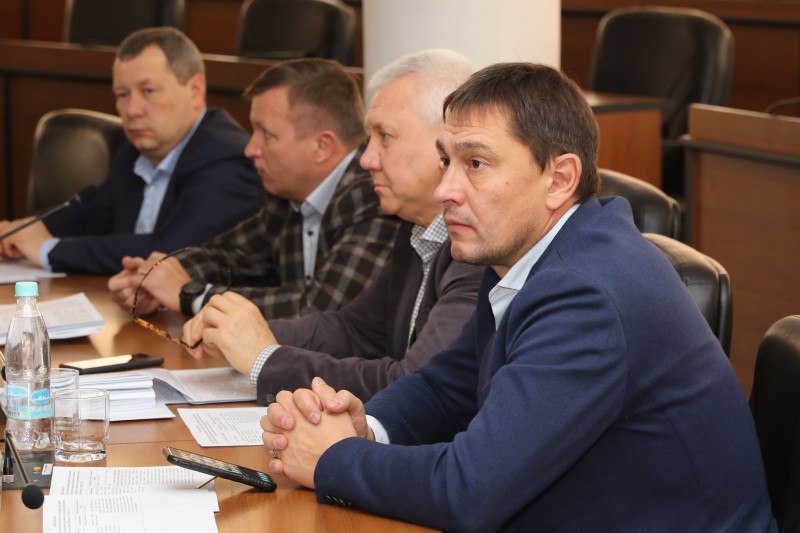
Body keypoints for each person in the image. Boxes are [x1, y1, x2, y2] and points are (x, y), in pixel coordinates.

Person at [261, 63, 777, 532]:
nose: (445, 190)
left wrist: (333, 459)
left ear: (560, 179)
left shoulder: (585, 294)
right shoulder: (529, 254)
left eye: (476, 163)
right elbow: (446, 387)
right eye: (445, 161)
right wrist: (368, 428)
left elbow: (470, 492)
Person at [180, 49, 483, 402]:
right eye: (369, 138)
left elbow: (412, 384)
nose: (366, 159)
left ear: (446, 143)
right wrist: (240, 334)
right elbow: (353, 329)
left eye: (385, 136)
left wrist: (264, 358)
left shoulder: (479, 250)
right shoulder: (416, 230)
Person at [107, 58, 401, 323]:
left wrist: (191, 295)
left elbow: (320, 311)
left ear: (322, 146)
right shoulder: (287, 198)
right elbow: (227, 256)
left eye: (266, 134)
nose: (250, 149)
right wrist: (154, 277)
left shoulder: (374, 196)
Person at [0, 27, 263, 275]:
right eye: (123, 94)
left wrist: (47, 250)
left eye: (148, 91)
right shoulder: (135, 152)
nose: (132, 110)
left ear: (195, 91)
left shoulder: (226, 158)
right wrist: (20, 232)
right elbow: (93, 214)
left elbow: (169, 253)